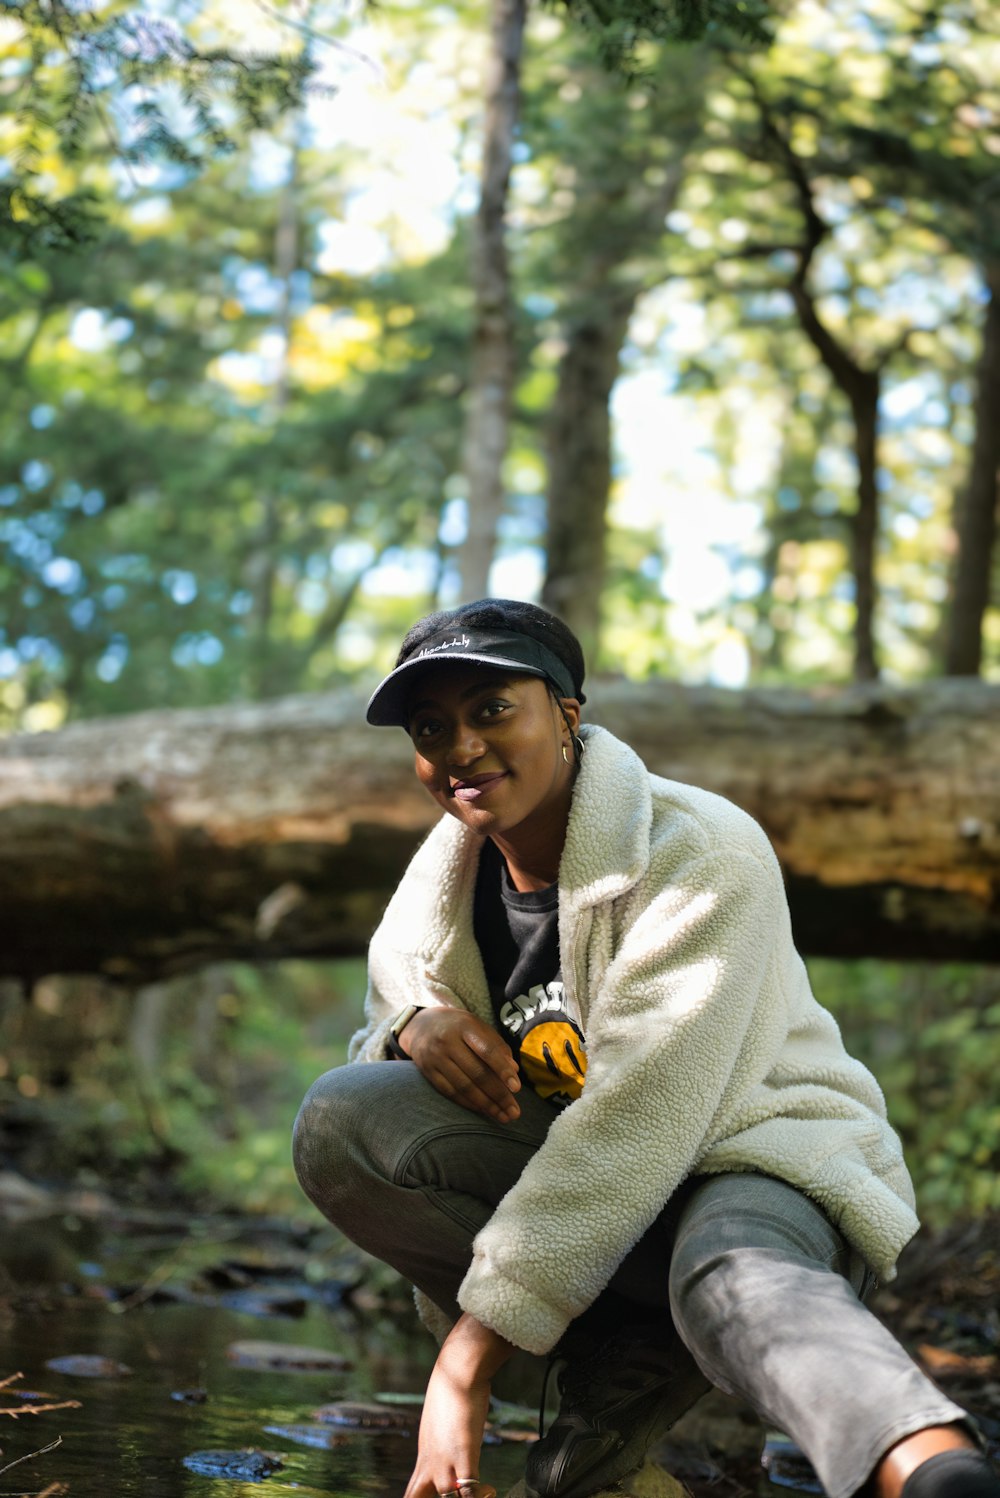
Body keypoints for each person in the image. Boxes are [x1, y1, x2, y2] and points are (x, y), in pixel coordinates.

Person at [293, 598, 999, 1498]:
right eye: (432, 728)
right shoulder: (441, 884)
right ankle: (618, 1374)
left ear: (568, 714)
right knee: (339, 1121)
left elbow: (636, 1125)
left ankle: (932, 1467)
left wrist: (463, 1365)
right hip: (596, 1213)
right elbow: (377, 1032)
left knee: (731, 1279)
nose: (460, 746)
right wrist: (412, 1027)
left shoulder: (700, 850)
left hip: (760, 1158)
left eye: (492, 709)